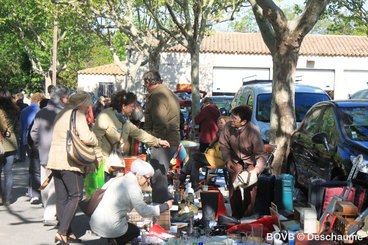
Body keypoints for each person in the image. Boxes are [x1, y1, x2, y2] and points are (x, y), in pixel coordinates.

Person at [47, 91, 98, 244]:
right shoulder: (78, 114)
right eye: (88, 104)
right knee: (75, 195)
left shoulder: (61, 113)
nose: (89, 107)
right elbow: (86, 137)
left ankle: (67, 231)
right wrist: (94, 138)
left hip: (56, 159)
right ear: (82, 103)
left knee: (62, 198)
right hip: (70, 161)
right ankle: (62, 232)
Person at [92, 90, 170, 183]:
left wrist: (157, 141)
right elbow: (96, 137)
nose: (133, 109)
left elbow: (139, 134)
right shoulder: (106, 116)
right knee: (100, 195)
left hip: (114, 165)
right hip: (101, 164)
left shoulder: (125, 121)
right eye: (132, 106)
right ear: (123, 106)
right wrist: (98, 155)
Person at [90, 159, 173, 245]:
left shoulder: (119, 179)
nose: (148, 181)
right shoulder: (133, 187)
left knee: (125, 224)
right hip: (109, 225)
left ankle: (113, 239)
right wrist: (165, 206)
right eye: (147, 178)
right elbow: (144, 211)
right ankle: (115, 241)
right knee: (135, 231)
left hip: (96, 221)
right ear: (138, 175)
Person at [30, 85, 69, 226]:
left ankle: (48, 210)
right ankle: (51, 215)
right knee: (55, 185)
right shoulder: (65, 113)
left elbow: (33, 133)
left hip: (44, 153)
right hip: (59, 155)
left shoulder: (41, 112)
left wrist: (39, 144)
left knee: (45, 183)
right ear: (62, 97)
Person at [219, 105, 267, 218]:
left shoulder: (253, 131)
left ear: (244, 121)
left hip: (251, 160)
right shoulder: (228, 127)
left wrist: (256, 170)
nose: (232, 120)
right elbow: (223, 145)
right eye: (232, 117)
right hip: (234, 157)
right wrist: (227, 160)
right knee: (234, 183)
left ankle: (247, 215)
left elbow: (261, 154)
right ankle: (236, 215)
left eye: (235, 118)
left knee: (250, 186)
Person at [142, 71, 181, 203]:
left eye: (145, 84)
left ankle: (160, 210)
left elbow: (160, 122)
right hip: (171, 139)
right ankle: (166, 204)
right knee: (161, 174)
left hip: (163, 140)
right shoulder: (170, 94)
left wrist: (154, 141)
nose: (145, 87)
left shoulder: (157, 96)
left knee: (158, 175)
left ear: (148, 82)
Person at [179, 116, 230, 192]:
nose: (220, 124)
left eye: (222, 122)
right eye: (218, 123)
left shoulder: (227, 136)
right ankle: (194, 187)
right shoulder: (219, 135)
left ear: (227, 123)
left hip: (220, 160)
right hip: (212, 158)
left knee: (194, 156)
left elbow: (224, 153)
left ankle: (182, 176)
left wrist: (211, 152)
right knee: (195, 163)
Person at [19, 92, 44, 203]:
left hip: (27, 140)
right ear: (39, 101)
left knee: (32, 166)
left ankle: (32, 190)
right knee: (40, 167)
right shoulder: (40, 111)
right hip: (40, 141)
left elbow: (20, 126)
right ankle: (39, 190)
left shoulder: (24, 111)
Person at [0, 88, 20, 206]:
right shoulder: (14, 110)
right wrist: (11, 131)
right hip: (11, 143)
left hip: (1, 142)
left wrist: (5, 130)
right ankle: (7, 198)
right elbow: (17, 127)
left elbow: (2, 125)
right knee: (8, 172)